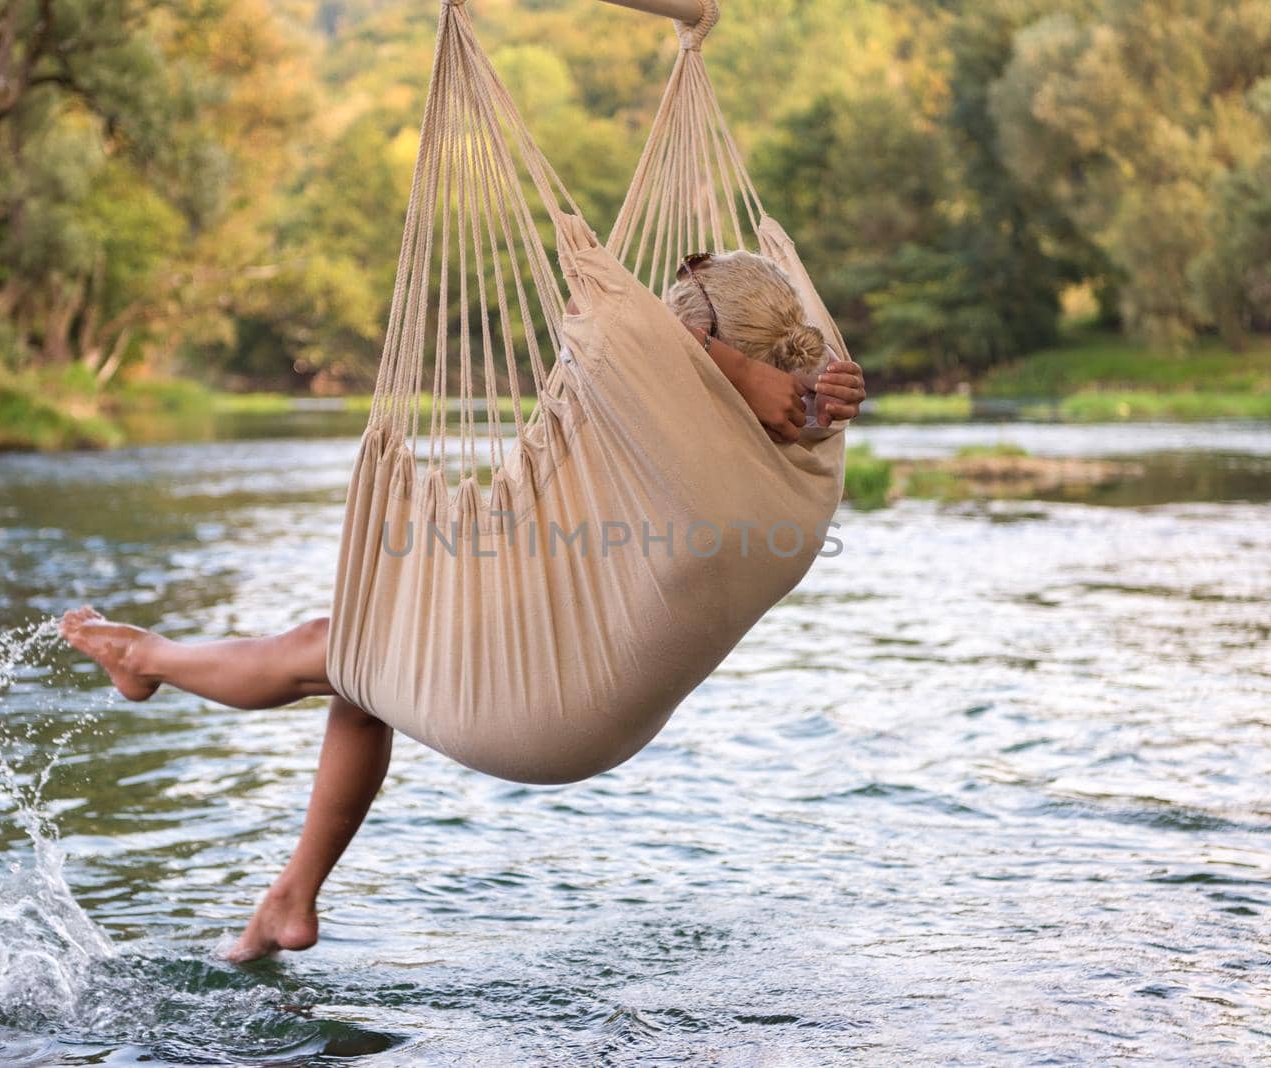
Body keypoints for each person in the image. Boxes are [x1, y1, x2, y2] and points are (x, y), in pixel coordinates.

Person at [61, 250, 867, 961]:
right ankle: (288, 902)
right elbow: (686, 368)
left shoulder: (701, 468)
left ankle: (146, 661)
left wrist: (733, 369)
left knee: (334, 644)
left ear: (700, 358)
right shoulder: (805, 470)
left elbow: (605, 322)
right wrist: (786, 381)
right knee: (364, 675)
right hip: (605, 715)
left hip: (547, 719)